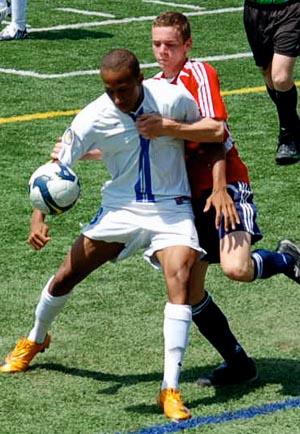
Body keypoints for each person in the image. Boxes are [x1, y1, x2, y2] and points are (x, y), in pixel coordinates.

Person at [0, 48, 216, 421]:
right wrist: (39, 216)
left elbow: (210, 134)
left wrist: (179, 138)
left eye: (123, 89)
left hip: (171, 209)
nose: (117, 97)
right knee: (68, 274)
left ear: (140, 78)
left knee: (179, 279)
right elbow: (56, 167)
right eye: (109, 89)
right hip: (120, 209)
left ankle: (170, 387)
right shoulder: (92, 117)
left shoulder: (172, 98)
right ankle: (36, 338)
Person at [136, 11, 300, 387]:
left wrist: (221, 189)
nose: (162, 52)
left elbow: (215, 130)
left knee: (237, 269)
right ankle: (239, 363)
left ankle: (286, 259)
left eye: (171, 45)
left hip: (224, 185)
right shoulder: (152, 88)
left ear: (187, 45)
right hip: (184, 199)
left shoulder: (199, 74)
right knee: (188, 292)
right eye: (157, 44)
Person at [243, 0, 300, 165]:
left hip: (290, 8)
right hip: (255, 11)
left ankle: (287, 138)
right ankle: (295, 127)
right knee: (267, 74)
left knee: (280, 78)